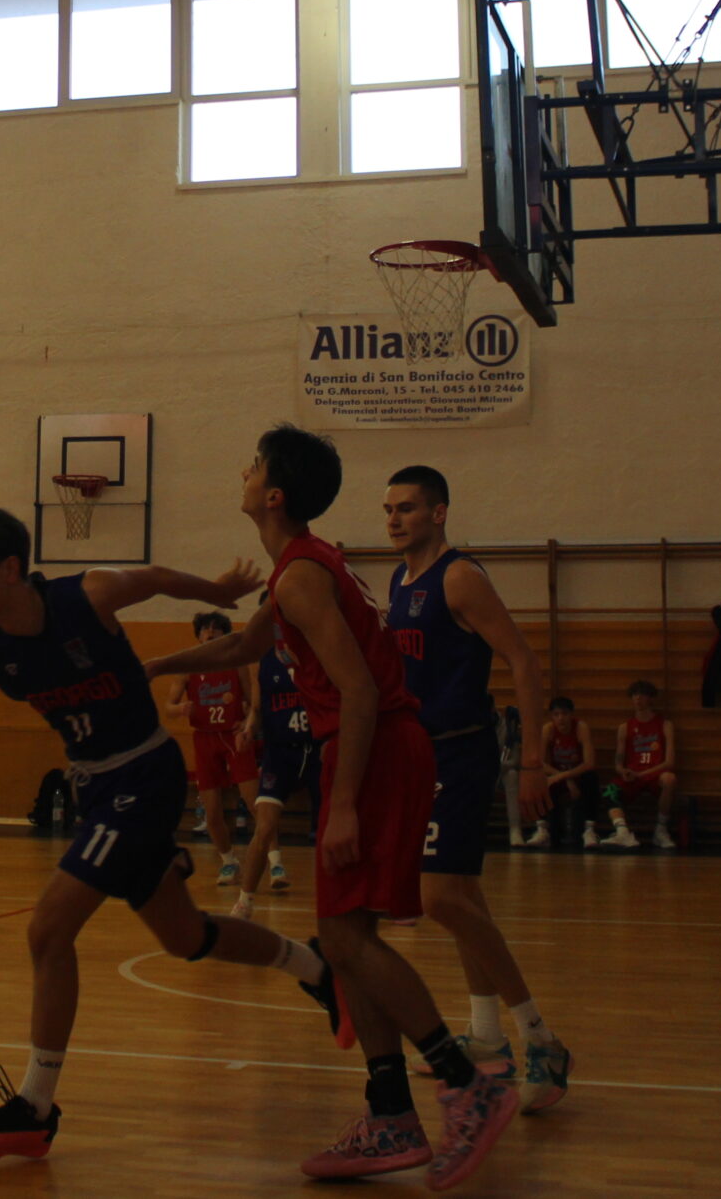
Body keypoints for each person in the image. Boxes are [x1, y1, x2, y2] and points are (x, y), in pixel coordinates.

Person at [0, 507, 348, 1165]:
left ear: (9, 568)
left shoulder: (86, 595)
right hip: (97, 788)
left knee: (48, 928)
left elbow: (153, 576)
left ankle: (34, 1107)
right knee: (185, 936)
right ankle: (320, 969)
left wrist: (215, 590)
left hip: (143, 774)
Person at [149, 426, 518, 1191]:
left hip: (372, 748)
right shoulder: (300, 567)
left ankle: (466, 1085)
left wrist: (343, 801)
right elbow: (239, 648)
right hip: (372, 748)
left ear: (274, 494)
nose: (244, 472)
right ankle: (391, 1112)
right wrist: (149, 664)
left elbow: (359, 689)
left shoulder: (301, 577)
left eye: (254, 466)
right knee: (346, 939)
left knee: (347, 940)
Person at [380, 467, 567, 1107]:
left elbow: (523, 659)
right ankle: (487, 1037)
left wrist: (534, 759)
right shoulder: (399, 581)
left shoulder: (458, 577)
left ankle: (541, 1038)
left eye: (407, 508)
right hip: (420, 755)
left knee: (437, 899)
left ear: (438, 513)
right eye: (388, 509)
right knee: (461, 899)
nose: (394, 519)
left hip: (461, 752)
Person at [165, 611, 259, 887]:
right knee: (212, 810)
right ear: (198, 635)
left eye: (216, 629)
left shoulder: (237, 663)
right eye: (205, 629)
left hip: (233, 736)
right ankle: (228, 861)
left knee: (255, 802)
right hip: (204, 738)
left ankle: (274, 859)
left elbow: (253, 704)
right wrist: (180, 709)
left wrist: (247, 718)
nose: (210, 633)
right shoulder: (188, 667)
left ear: (224, 636)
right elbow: (168, 707)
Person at [231, 632, 312, 918]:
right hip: (279, 753)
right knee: (264, 827)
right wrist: (249, 729)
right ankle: (244, 902)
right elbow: (256, 708)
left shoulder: (317, 646)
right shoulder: (262, 659)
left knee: (331, 830)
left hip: (315, 748)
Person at [612, 679, 677, 850]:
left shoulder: (665, 724)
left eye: (642, 694)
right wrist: (623, 771)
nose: (638, 698)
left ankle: (661, 830)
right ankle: (622, 831)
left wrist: (642, 774)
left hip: (654, 774)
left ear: (651, 698)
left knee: (669, 779)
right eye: (634, 694)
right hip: (634, 775)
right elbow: (618, 762)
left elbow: (669, 762)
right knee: (610, 791)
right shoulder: (625, 727)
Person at [527, 697, 595, 849]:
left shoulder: (580, 728)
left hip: (577, 777)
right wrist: (562, 778)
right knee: (539, 779)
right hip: (559, 778)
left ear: (571, 715)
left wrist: (564, 777)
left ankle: (589, 830)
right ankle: (542, 829)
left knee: (591, 777)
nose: (560, 718)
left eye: (564, 714)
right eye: (556, 714)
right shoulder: (548, 730)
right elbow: (540, 763)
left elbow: (589, 763)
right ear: (551, 716)